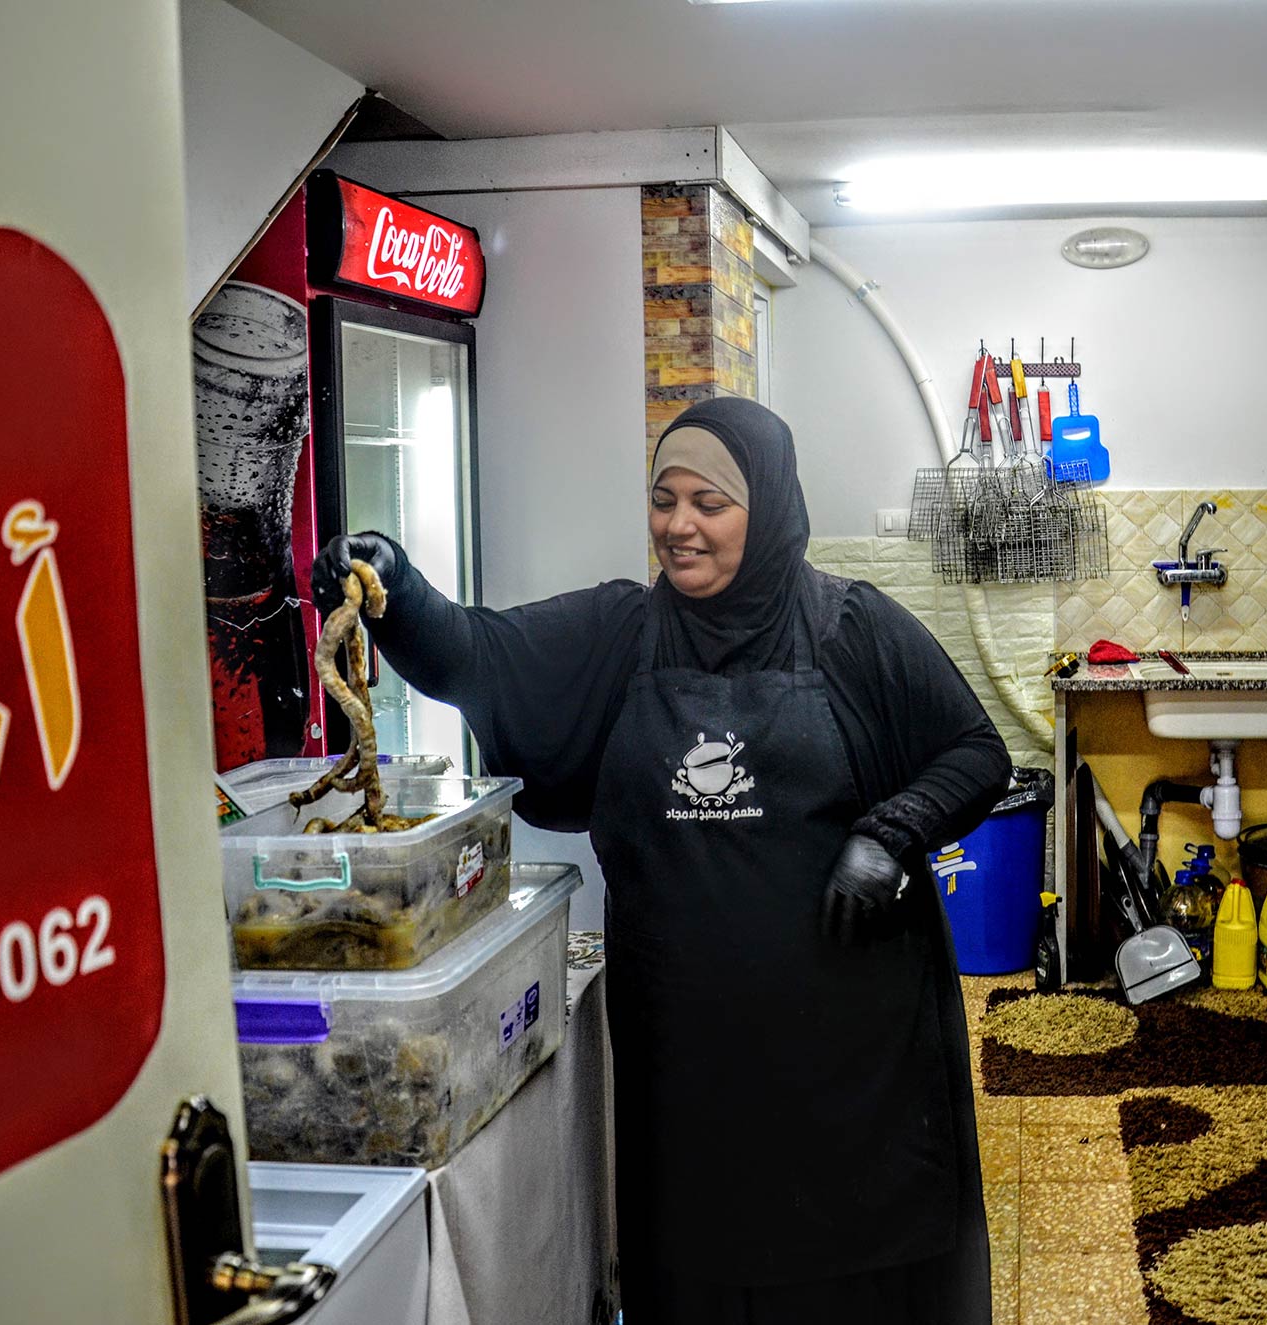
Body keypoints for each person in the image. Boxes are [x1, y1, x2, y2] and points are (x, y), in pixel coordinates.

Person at [312, 397, 1009, 1324]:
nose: (679, 525)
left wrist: (890, 832)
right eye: (663, 498)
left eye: (709, 503)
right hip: (688, 1062)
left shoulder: (853, 630)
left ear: (766, 509)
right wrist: (394, 585)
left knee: (850, 1275)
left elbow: (975, 750)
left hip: (851, 1058)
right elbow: (477, 657)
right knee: (699, 1265)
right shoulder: (621, 634)